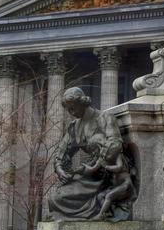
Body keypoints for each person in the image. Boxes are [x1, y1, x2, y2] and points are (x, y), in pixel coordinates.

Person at [47, 87, 136, 221]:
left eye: (73, 108)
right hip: (89, 175)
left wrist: (96, 165)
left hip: (107, 174)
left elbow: (115, 142)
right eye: (68, 109)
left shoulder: (104, 118)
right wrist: (60, 170)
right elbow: (62, 152)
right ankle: (86, 212)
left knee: (60, 199)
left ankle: (94, 210)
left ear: (82, 103)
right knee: (54, 199)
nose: (71, 113)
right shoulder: (74, 127)